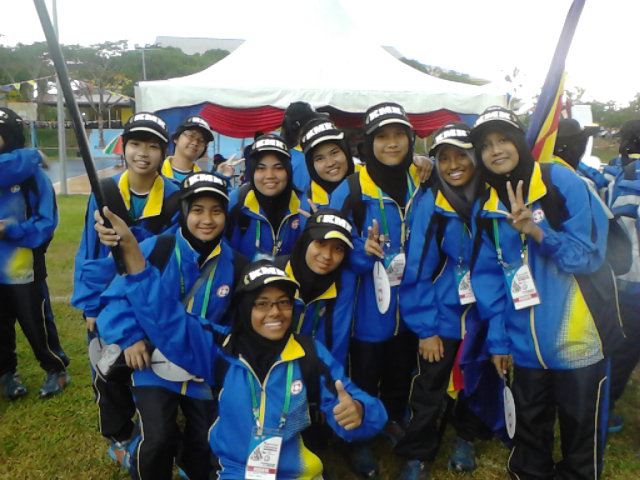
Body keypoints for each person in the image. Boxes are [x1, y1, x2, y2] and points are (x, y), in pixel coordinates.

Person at [94, 226, 388, 480]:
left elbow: (363, 409)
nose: (275, 312)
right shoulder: (219, 349)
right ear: (245, 308)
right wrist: (134, 256)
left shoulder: (309, 354)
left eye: (283, 302)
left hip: (297, 472)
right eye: (262, 303)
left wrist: (360, 412)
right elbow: (167, 319)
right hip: (234, 471)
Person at [469, 106, 610, 479]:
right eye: (486, 145)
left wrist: (537, 232)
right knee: (529, 430)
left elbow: (589, 256)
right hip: (524, 346)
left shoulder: (560, 182)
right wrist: (499, 340)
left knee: (581, 430)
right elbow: (489, 280)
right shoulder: (487, 205)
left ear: (519, 141)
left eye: (503, 140)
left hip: (578, 339)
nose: (496, 150)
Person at [90, 172, 243, 480]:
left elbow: (234, 326)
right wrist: (131, 337)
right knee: (158, 439)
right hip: (152, 361)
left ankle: (187, 462)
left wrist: (214, 354)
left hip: (199, 367)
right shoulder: (156, 249)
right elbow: (116, 300)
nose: (207, 220)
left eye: (216, 211)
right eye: (197, 210)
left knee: (207, 441)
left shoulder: (237, 265)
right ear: (184, 211)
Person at [71, 112, 180, 463]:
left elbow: (168, 254)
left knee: (148, 363)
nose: (142, 153)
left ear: (164, 152)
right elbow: (89, 249)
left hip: (151, 296)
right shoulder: (103, 190)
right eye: (135, 144)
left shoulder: (175, 198)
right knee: (106, 365)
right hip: (107, 299)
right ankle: (118, 434)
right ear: (124, 146)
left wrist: (131, 240)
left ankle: (154, 425)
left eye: (152, 146)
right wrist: (91, 306)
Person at [396, 123, 495, 479]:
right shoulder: (431, 203)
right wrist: (426, 329)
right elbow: (416, 269)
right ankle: (418, 453)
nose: (454, 165)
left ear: (475, 157)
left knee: (479, 378)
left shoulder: (492, 197)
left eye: (461, 155)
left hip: (484, 313)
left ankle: (466, 437)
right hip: (442, 314)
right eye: (444, 158)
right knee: (430, 386)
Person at [329, 102, 420, 478]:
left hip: (409, 305)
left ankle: (394, 419)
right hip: (365, 309)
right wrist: (360, 252)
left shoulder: (421, 185)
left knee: (400, 369)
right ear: (368, 144)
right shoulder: (351, 191)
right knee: (364, 373)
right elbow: (329, 247)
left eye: (399, 135)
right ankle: (360, 439)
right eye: (383, 136)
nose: (392, 143)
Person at [0, 107, 69, 399]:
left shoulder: (33, 177)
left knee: (36, 322)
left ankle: (56, 369)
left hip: (23, 267)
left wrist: (11, 229)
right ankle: (6, 374)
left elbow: (46, 222)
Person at [607, 118, 640, 434]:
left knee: (620, 346)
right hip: (633, 279)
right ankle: (605, 408)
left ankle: (606, 406)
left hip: (618, 275)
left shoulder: (613, 171)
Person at [227, 133, 302, 261]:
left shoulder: (303, 206)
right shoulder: (237, 202)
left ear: (288, 170)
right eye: (261, 168)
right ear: (252, 171)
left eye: (278, 167)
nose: (270, 175)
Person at [298, 117, 356, 211]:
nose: (330, 163)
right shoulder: (308, 204)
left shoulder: (371, 182)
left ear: (346, 151)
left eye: (334, 153)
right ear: (311, 165)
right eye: (319, 158)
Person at [161, 116, 214, 183]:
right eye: (191, 136)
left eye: (202, 140)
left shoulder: (204, 181)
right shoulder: (156, 171)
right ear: (176, 138)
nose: (195, 143)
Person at [280, 101, 319, 192]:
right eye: (313, 122)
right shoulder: (302, 159)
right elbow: (303, 196)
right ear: (297, 126)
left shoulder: (286, 153)